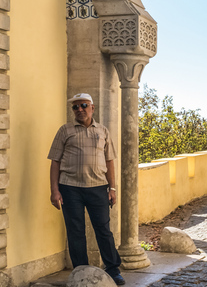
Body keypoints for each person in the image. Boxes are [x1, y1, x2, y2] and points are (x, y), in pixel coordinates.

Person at [48, 94, 125, 285]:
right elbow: (55, 161)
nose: (79, 110)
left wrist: (112, 188)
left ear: (92, 107)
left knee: (103, 230)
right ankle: (80, 270)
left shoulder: (103, 131)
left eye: (83, 105)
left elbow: (110, 161)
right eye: (75, 107)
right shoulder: (65, 131)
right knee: (75, 231)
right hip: (70, 188)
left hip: (98, 187)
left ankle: (113, 270)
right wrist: (54, 190)